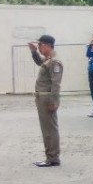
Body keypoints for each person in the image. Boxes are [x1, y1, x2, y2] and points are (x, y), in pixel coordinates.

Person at [29, 35, 63, 167]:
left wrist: (54, 101)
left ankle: (53, 157)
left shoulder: (55, 61)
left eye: (40, 45)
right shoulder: (49, 60)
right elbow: (40, 63)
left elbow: (56, 83)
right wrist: (34, 52)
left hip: (47, 97)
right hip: (42, 97)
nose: (39, 47)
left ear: (48, 45)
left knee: (50, 129)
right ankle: (51, 156)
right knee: (46, 129)